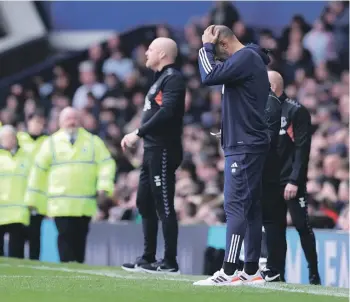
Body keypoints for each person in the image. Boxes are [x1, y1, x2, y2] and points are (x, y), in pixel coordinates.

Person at [194, 25, 270, 286]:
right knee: (249, 208)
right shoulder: (248, 59)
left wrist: (204, 46)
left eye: (216, 51)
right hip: (246, 141)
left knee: (235, 205)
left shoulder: (245, 58)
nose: (215, 58)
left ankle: (229, 271)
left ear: (224, 45)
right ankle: (251, 270)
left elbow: (208, 76)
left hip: (245, 144)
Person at [121, 37, 186, 274]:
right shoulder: (158, 80)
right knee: (144, 203)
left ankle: (170, 261)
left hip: (164, 149)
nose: (146, 53)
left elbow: (168, 112)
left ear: (162, 54)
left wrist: (137, 132)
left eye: (150, 49)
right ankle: (147, 257)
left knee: (163, 204)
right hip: (151, 150)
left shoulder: (174, 79)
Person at [25, 107, 116, 263]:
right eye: (67, 118)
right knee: (65, 238)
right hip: (61, 204)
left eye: (74, 118)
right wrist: (32, 200)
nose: (71, 122)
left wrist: (104, 186)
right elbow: (38, 171)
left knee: (80, 240)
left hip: (84, 204)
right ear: (60, 122)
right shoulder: (51, 143)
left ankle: (77, 271)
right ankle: (67, 270)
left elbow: (107, 164)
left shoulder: (93, 141)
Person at [268, 72, 321, 285]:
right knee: (274, 227)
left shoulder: (295, 111)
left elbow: (302, 149)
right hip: (270, 182)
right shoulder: (261, 111)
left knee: (301, 225)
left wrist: (295, 180)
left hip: (290, 181)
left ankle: (314, 273)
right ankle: (276, 272)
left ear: (272, 86)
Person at [260, 71, 284, 282]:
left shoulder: (271, 103)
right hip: (263, 169)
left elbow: (266, 140)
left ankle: (273, 266)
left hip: (268, 171)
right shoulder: (261, 103)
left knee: (270, 220)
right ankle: (259, 264)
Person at [17, 110, 47, 260]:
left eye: (40, 123)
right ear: (27, 123)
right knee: (19, 233)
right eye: (35, 122)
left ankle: (35, 263)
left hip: (38, 196)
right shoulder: (19, 140)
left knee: (35, 234)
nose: (37, 126)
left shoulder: (48, 142)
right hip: (19, 194)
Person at [0, 125, 31, 258]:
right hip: (1, 211)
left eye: (9, 137)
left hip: (18, 212)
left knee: (17, 252)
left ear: (15, 138)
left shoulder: (26, 157)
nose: (7, 141)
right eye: (3, 138)